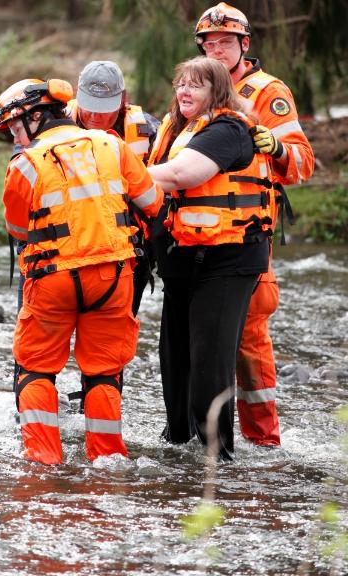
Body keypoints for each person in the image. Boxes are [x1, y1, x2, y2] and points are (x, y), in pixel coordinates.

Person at [0, 78, 163, 465]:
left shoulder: (24, 164)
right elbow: (153, 203)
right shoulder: (112, 144)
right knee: (103, 373)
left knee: (35, 369)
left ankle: (43, 462)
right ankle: (108, 463)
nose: (16, 138)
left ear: (36, 117)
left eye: (16, 128)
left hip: (52, 280)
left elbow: (18, 231)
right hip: (112, 277)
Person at [194, 2, 315, 447]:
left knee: (249, 337)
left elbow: (303, 164)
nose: (217, 49)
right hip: (197, 237)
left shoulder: (268, 92)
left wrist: (277, 148)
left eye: (225, 42)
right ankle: (204, 436)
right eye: (209, 43)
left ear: (244, 45)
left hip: (247, 235)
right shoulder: (194, 87)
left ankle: (264, 442)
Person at [147, 56, 274, 461]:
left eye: (195, 86)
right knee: (175, 367)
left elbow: (183, 175)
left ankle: (218, 462)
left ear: (216, 92)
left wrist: (108, 173)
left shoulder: (229, 129)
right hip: (182, 259)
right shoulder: (174, 129)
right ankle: (178, 453)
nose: (184, 92)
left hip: (227, 262)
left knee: (208, 368)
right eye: (181, 84)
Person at [67, 60, 160, 315]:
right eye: (89, 106)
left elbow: (168, 193)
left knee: (111, 345)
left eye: (103, 108)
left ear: (122, 99)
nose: (95, 116)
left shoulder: (150, 129)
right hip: (62, 250)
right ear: (77, 92)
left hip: (128, 252)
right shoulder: (52, 122)